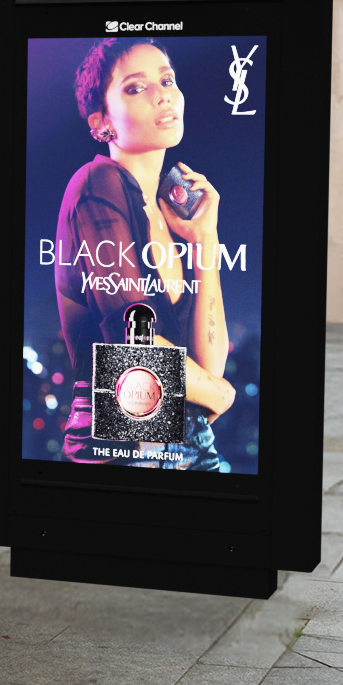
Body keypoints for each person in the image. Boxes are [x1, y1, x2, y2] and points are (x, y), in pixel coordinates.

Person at [49, 37, 236, 471]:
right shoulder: (96, 182)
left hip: (191, 440)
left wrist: (205, 238)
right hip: (123, 438)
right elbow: (135, 345)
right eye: (135, 88)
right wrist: (219, 392)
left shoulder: (174, 216)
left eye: (167, 80)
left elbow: (209, 360)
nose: (163, 93)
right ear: (101, 122)